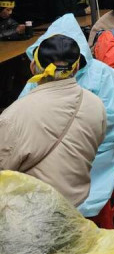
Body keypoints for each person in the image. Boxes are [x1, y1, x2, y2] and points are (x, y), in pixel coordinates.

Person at [19, 14, 114, 218]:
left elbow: (110, 119)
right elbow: (22, 113)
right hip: (48, 149)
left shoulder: (102, 75)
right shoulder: (39, 77)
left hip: (95, 148)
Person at [0, 34, 106, 207]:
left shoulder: (13, 116)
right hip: (77, 201)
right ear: (76, 67)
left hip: (29, 210)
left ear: (33, 66)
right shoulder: (96, 104)